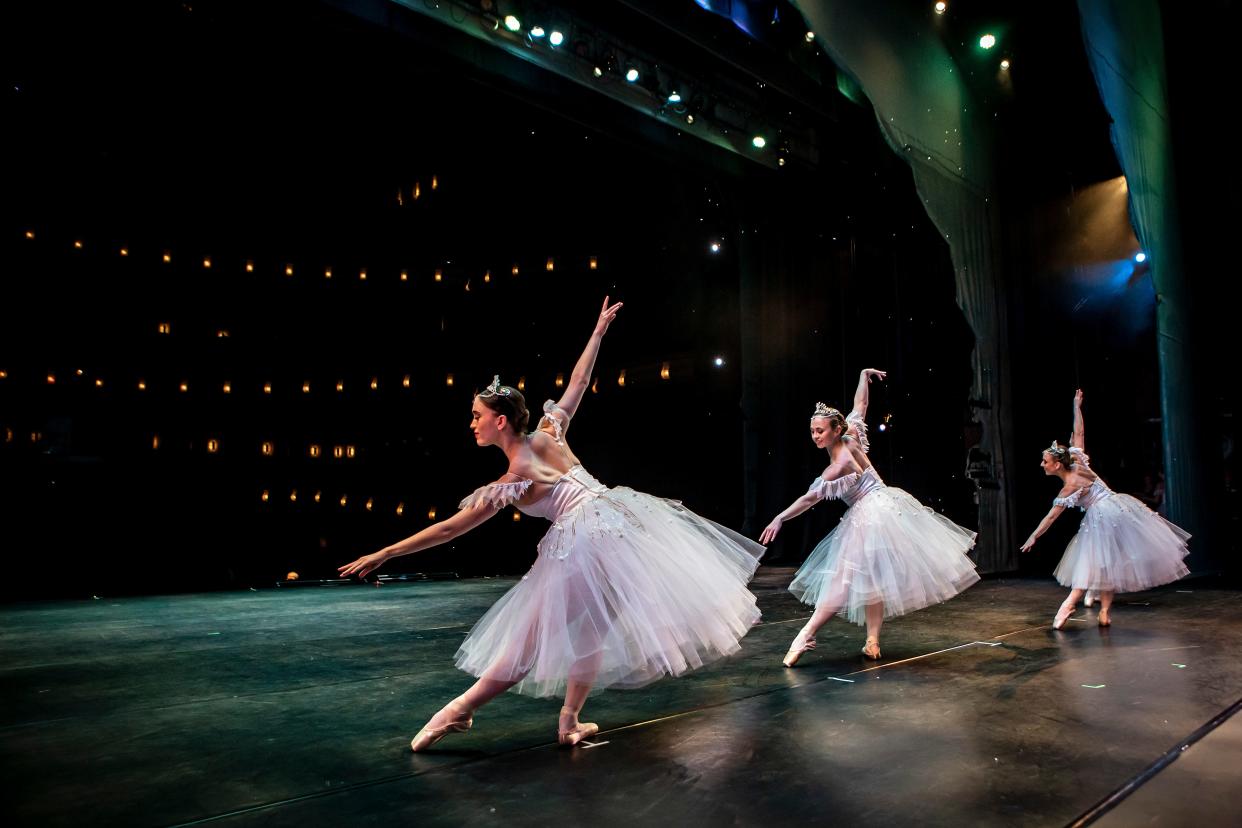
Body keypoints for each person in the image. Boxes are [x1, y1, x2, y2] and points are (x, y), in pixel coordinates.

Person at [340, 298, 764, 750]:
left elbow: (450, 529)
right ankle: (567, 722)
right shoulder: (550, 430)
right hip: (623, 520)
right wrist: (598, 332)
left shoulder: (516, 475)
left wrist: (386, 552)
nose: (472, 425)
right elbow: (580, 382)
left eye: (477, 417)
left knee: (530, 642)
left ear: (500, 421)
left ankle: (457, 711)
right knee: (593, 628)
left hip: (587, 536)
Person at [760, 369, 979, 665]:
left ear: (835, 430)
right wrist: (863, 376)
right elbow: (860, 406)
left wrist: (780, 518)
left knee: (843, 578)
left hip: (871, 512)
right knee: (871, 577)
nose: (815, 436)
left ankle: (807, 633)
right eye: (812, 431)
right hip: (886, 506)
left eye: (820, 431)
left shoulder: (838, 464)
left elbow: (809, 498)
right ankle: (872, 641)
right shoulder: (850, 434)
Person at [1020, 390, 1190, 628]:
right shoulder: (1077, 460)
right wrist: (1076, 406)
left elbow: (1051, 517)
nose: (1041, 465)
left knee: (1091, 561)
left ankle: (1069, 604)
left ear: (1057, 465)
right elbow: (1079, 432)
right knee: (1107, 562)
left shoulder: (1070, 486)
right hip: (1119, 506)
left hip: (1103, 514)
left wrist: (1033, 536)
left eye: (1044, 461)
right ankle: (1104, 613)